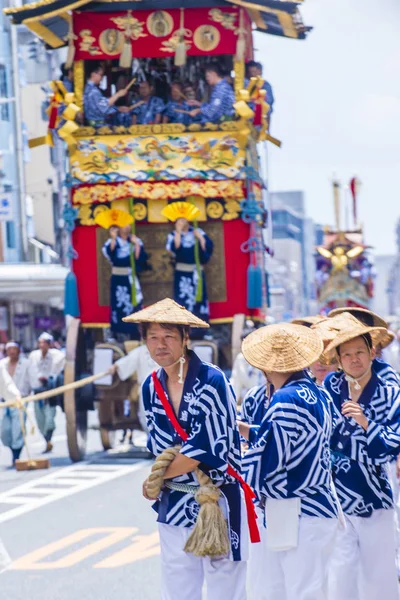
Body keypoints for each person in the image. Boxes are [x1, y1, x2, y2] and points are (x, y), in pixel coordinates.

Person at [124, 298, 250, 600]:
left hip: (218, 503)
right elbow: (159, 445)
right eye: (152, 337)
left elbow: (210, 448)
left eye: (168, 336)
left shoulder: (212, 380)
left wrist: (156, 477)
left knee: (226, 590)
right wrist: (163, 474)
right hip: (175, 504)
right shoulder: (150, 386)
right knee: (177, 590)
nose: (160, 345)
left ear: (185, 338)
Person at [239, 323, 339, 600]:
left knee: (296, 591)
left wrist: (240, 472)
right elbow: (293, 440)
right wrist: (247, 430)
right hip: (315, 506)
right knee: (305, 590)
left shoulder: (284, 399)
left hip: (299, 511)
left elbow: (270, 457)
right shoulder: (317, 393)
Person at [323, 314, 400, 599]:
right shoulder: (330, 388)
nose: (354, 359)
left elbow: (393, 443)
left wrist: (367, 423)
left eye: (360, 352)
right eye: (347, 355)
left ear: (372, 353)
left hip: (375, 497)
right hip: (336, 498)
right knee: (340, 578)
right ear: (339, 360)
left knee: (378, 579)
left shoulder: (390, 392)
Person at [164, 205, 213, 335]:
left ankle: (201, 330)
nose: (181, 222)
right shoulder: (173, 235)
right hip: (182, 273)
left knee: (199, 300)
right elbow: (173, 250)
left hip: (196, 272)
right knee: (182, 299)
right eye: (179, 220)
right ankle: (183, 330)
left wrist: (201, 238)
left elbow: (207, 249)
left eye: (183, 220)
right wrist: (178, 232)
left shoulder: (198, 232)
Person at [102, 224, 147, 339]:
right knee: (118, 304)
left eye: (129, 224)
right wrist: (113, 237)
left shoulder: (135, 241)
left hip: (130, 277)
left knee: (134, 304)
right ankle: (117, 333)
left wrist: (136, 243)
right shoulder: (112, 241)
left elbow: (140, 259)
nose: (127, 227)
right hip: (118, 278)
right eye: (124, 224)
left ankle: (135, 332)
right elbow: (111, 255)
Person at [108, 343, 158, 433]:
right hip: (147, 390)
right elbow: (129, 360)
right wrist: (116, 366)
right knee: (147, 418)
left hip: (167, 389)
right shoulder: (142, 351)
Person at [28, 332, 65, 453]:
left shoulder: (58, 356)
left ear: (49, 344)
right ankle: (46, 440)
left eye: (44, 343)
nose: (42, 345)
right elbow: (31, 371)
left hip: (50, 391)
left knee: (50, 418)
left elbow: (60, 371)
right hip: (38, 391)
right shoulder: (33, 355)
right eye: (40, 343)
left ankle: (49, 436)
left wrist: (49, 378)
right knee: (40, 419)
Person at [0, 342, 30, 465]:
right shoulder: (3, 364)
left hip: (18, 400)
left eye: (14, 349)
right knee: (4, 430)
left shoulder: (25, 363)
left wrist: (17, 395)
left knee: (18, 428)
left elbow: (7, 383)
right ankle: (13, 449)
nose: (12, 352)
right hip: (4, 403)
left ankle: (16, 455)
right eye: (9, 349)